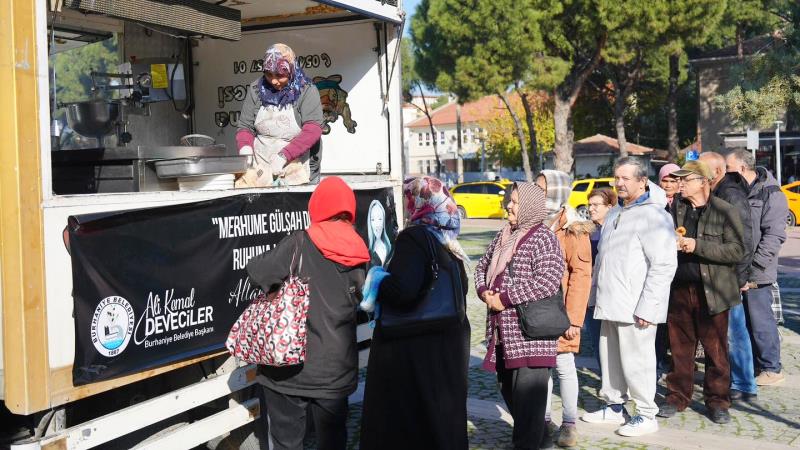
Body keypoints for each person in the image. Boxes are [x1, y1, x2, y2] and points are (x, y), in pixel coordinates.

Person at [246, 176, 369, 450]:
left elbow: (258, 271)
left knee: (286, 443)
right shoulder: (360, 250)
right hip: (336, 371)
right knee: (333, 441)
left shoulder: (300, 241)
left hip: (289, 371)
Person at [360, 176, 470, 450]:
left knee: (410, 430)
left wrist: (377, 278)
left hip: (413, 356)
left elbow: (403, 290)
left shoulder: (414, 238)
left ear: (417, 202)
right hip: (442, 353)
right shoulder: (446, 238)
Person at [581, 157, 677, 437]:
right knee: (610, 360)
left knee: (638, 361)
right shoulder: (614, 213)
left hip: (636, 306)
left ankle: (646, 413)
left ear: (642, 181)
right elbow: (604, 259)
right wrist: (593, 294)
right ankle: (614, 406)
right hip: (610, 300)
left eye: (626, 178)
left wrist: (649, 306)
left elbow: (663, 265)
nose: (619, 183)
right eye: (617, 177)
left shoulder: (655, 216)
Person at [474, 182, 565, 449]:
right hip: (503, 334)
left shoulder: (543, 238)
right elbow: (482, 265)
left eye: (514, 202)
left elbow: (547, 280)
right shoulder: (504, 235)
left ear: (529, 206)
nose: (508, 206)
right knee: (510, 391)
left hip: (530, 334)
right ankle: (542, 437)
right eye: (510, 201)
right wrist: (484, 292)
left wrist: (504, 298)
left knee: (528, 400)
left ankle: (526, 443)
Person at [656, 161, 745, 424]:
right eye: (679, 179)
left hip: (713, 291)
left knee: (716, 351)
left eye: (686, 179)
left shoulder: (724, 210)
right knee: (680, 349)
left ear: (703, 182)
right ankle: (676, 397)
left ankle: (718, 401)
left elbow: (736, 250)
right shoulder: (675, 209)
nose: (680, 183)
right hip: (679, 290)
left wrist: (697, 245)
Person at [536, 170, 593, 448]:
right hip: (535, 312)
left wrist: (574, 318)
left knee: (564, 366)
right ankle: (544, 421)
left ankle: (569, 424)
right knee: (540, 368)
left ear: (558, 192)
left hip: (561, 311)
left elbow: (581, 275)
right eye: (536, 187)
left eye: (543, 189)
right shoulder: (532, 222)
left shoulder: (574, 227)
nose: (538, 193)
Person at [726, 149, 788, 386]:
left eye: (730, 170)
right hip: (738, 267)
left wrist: (754, 269)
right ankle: (754, 365)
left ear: (742, 169)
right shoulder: (737, 191)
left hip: (757, 271)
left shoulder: (771, 193)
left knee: (761, 319)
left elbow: (774, 235)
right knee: (745, 322)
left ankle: (772, 368)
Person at [699, 151, 757, 401]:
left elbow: (743, 240)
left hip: (729, 278)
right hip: (717, 276)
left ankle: (744, 384)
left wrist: (740, 278)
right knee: (725, 332)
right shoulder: (716, 192)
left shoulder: (730, 195)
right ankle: (736, 380)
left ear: (718, 172)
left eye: (702, 171)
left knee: (734, 332)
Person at [236, 43, 324, 187]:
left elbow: (313, 129)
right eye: (269, 74)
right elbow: (245, 127)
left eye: (280, 75)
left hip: (297, 167)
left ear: (291, 70)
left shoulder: (306, 90)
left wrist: (284, 156)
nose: (274, 81)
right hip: (261, 169)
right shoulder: (255, 90)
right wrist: (246, 151)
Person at [585, 188, 617, 372]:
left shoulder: (616, 230)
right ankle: (606, 378)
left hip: (611, 292)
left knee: (614, 341)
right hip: (590, 293)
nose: (591, 208)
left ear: (609, 207)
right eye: (589, 204)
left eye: (596, 205)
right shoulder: (586, 230)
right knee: (596, 338)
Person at [655, 162, 680, 380]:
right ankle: (660, 358)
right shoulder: (655, 203)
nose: (670, 184)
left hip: (682, 269)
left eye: (674, 180)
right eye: (666, 180)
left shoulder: (685, 203)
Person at [366, 200, 392, 266]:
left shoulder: (389, 247)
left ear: (383, 221)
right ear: (370, 223)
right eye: (373, 219)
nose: (377, 224)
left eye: (380, 219)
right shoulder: (368, 251)